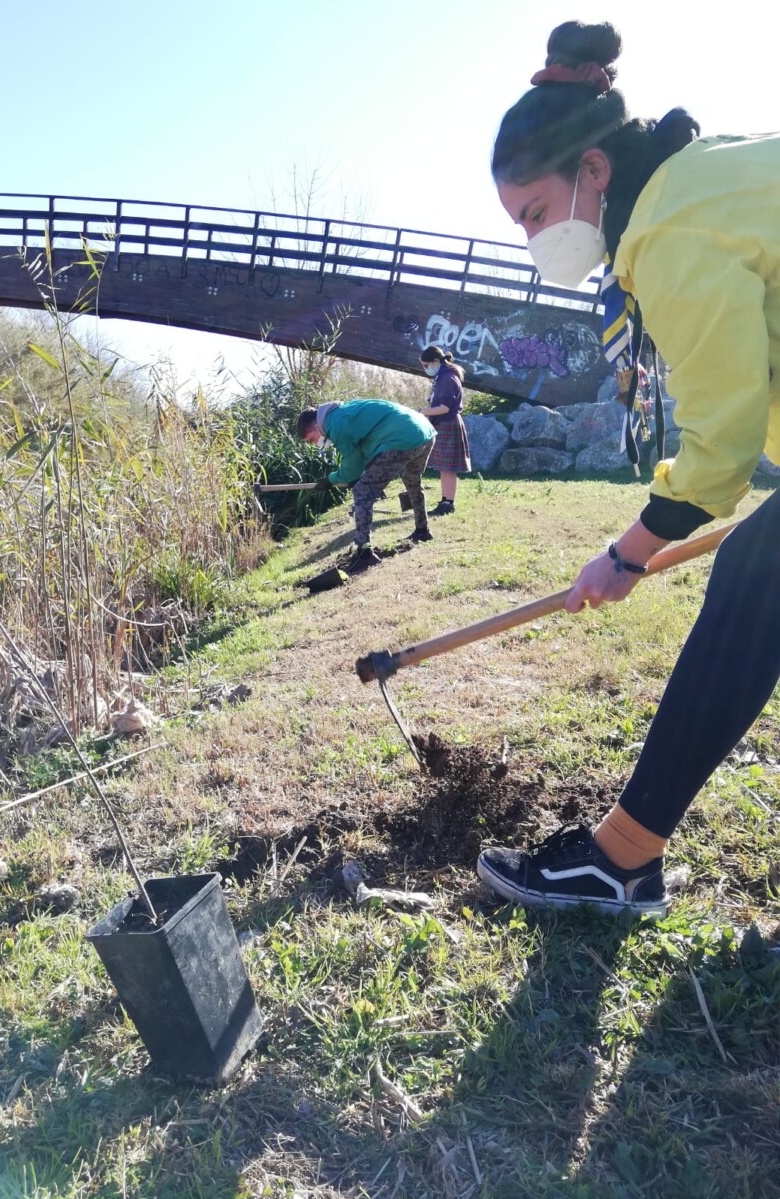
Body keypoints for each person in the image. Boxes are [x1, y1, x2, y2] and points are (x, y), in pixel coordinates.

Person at [476, 19, 780, 916]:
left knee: (755, 576)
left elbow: (720, 448)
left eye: (534, 214)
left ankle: (618, 858)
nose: (534, 240)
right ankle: (623, 854)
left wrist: (626, 553)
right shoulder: (698, 175)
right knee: (758, 574)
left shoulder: (670, 228)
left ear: (593, 171)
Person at [297, 399, 436, 572]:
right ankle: (423, 530)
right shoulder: (343, 412)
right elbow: (362, 452)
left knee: (363, 490)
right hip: (424, 431)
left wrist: (330, 480)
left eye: (311, 440)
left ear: (316, 427)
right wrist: (355, 475)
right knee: (412, 480)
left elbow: (352, 466)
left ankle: (364, 554)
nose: (314, 443)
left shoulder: (335, 426)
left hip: (401, 439)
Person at [419, 346, 473, 515]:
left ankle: (448, 503)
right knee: (444, 467)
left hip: (448, 423)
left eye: (426, 365)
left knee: (449, 467)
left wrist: (422, 411)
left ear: (436, 362)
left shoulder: (448, 379)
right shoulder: (442, 376)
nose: (425, 369)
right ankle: (445, 501)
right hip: (443, 424)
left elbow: (445, 407)